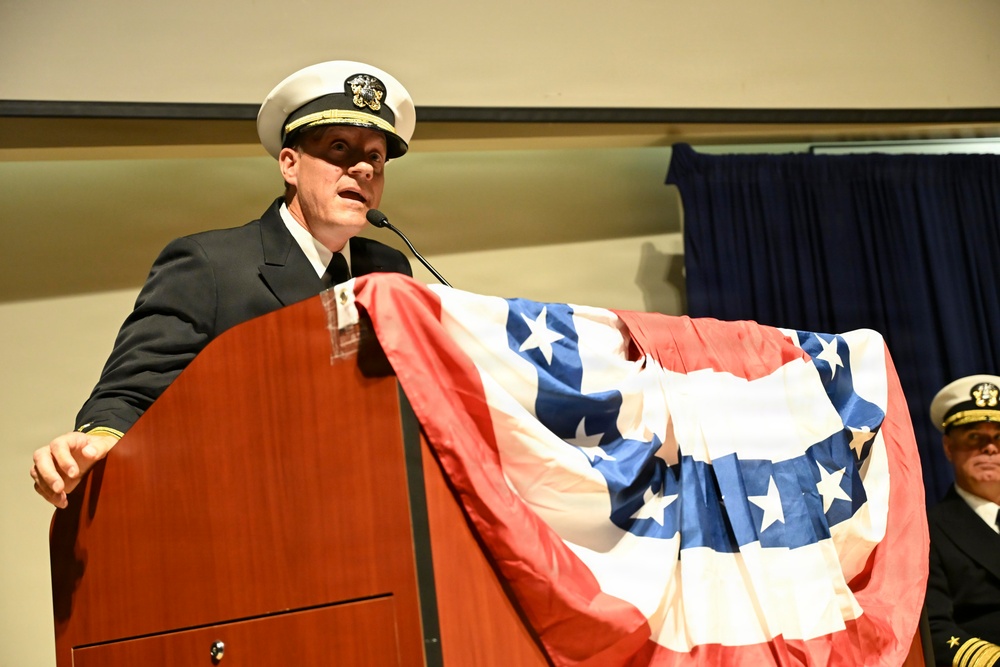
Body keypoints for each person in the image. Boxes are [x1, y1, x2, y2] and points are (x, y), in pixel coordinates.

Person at [30, 60, 415, 509]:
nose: (364, 170)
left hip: (372, 506)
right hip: (250, 515)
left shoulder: (389, 270)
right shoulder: (209, 265)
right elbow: (131, 392)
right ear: (289, 164)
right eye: (339, 148)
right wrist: (96, 443)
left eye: (375, 158)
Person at [926, 374, 1000, 667]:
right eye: (974, 437)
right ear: (948, 448)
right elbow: (935, 629)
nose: (990, 448)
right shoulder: (929, 529)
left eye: (998, 437)